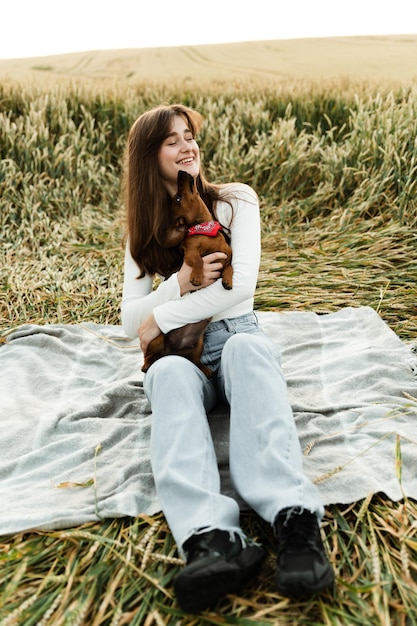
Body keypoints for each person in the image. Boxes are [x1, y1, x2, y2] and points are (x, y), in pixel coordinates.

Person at [121, 103, 334, 613]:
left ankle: (294, 520)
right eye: (172, 140)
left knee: (249, 347)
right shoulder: (142, 229)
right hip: (179, 356)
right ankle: (209, 539)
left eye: (190, 136)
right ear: (149, 157)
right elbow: (131, 322)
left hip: (234, 334)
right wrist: (179, 283)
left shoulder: (236, 202)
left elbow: (243, 290)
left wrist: (163, 317)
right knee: (169, 374)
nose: (188, 146)